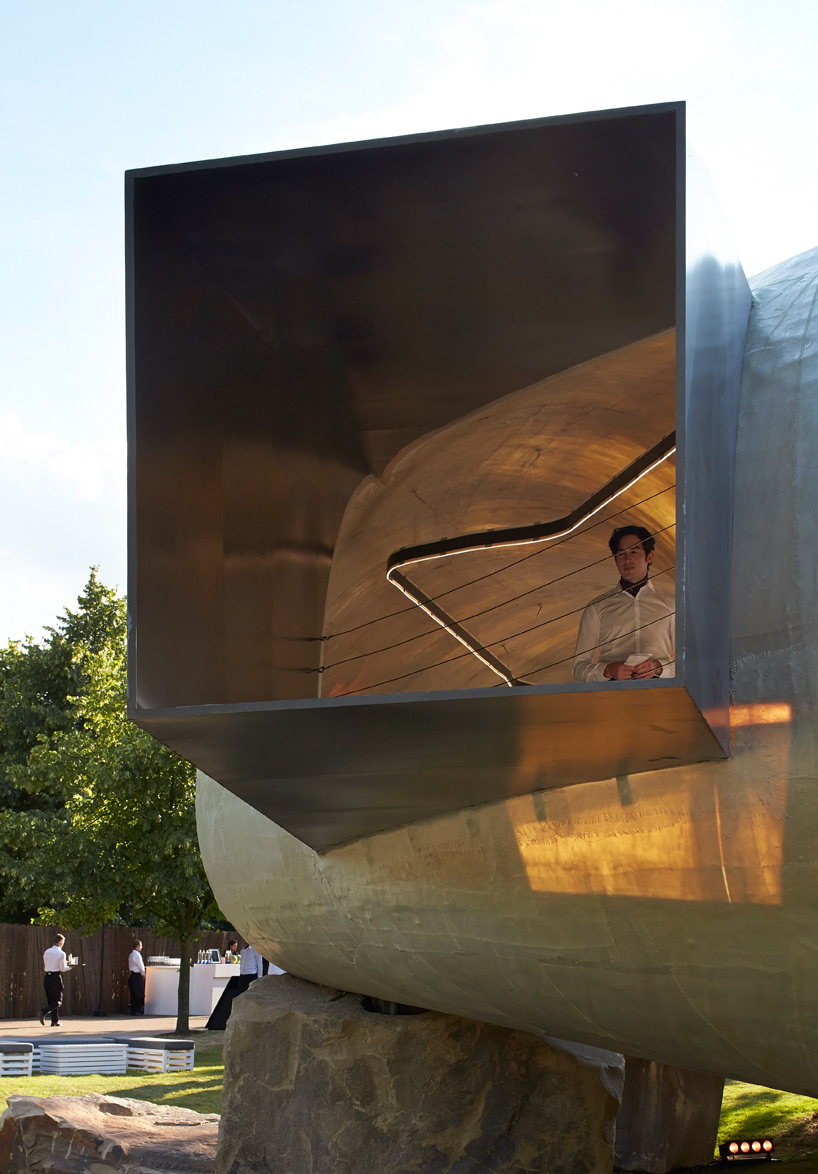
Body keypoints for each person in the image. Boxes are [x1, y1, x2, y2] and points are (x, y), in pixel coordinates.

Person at [572, 525, 675, 683]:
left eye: (634, 551)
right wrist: (607, 670)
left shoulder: (671, 604)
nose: (627, 560)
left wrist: (659, 667)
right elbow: (578, 668)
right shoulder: (596, 607)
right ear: (615, 560)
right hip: (611, 696)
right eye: (621, 554)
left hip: (659, 694)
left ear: (650, 556)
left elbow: (690, 663)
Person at [40, 933, 71, 1027]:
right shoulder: (61, 953)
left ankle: (54, 1020)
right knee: (58, 1001)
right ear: (61, 942)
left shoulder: (47, 951)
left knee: (50, 999)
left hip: (47, 977)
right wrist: (71, 967)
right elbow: (62, 968)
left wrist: (65, 962)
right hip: (55, 977)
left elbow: (50, 963)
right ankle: (43, 1011)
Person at [128, 939, 146, 1014]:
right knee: (139, 993)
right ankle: (137, 1009)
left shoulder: (131, 954)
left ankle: (133, 1009)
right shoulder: (137, 955)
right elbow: (141, 966)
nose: (141, 947)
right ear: (138, 946)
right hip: (137, 975)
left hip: (132, 975)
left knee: (133, 993)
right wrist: (143, 974)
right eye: (141, 945)